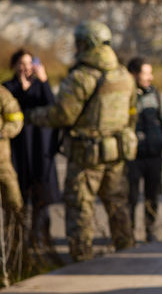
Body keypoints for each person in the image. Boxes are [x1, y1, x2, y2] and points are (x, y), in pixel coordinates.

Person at [26, 20, 136, 262]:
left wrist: (32, 115)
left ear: (87, 44)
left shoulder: (81, 77)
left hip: (86, 156)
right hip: (116, 153)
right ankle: (128, 255)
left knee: (80, 211)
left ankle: (82, 264)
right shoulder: (124, 75)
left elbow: (63, 114)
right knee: (119, 209)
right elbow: (131, 114)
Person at [3, 50, 62, 269]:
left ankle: (40, 240)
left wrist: (44, 80)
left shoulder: (41, 86)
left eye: (29, 63)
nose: (25, 67)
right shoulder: (9, 88)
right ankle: (20, 246)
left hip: (40, 148)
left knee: (42, 196)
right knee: (20, 196)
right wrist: (20, 83)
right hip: (19, 149)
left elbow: (53, 106)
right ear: (14, 65)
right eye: (21, 63)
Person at [125, 57, 162, 243]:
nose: (150, 77)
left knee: (152, 195)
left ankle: (150, 230)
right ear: (133, 74)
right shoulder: (126, 96)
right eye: (146, 73)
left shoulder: (155, 94)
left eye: (150, 73)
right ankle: (129, 234)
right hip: (133, 157)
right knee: (132, 196)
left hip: (154, 155)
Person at [0, 84, 24, 287]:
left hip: (2, 164)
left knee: (15, 205)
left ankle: (16, 260)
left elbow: (16, 120)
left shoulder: (2, 94)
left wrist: (2, 132)